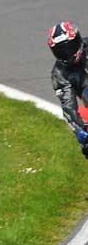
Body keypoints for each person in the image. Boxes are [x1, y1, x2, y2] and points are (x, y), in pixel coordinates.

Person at [48, 21, 88, 158]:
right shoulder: (59, 74)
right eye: (61, 52)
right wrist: (80, 133)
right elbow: (68, 107)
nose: (67, 54)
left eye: (69, 48)